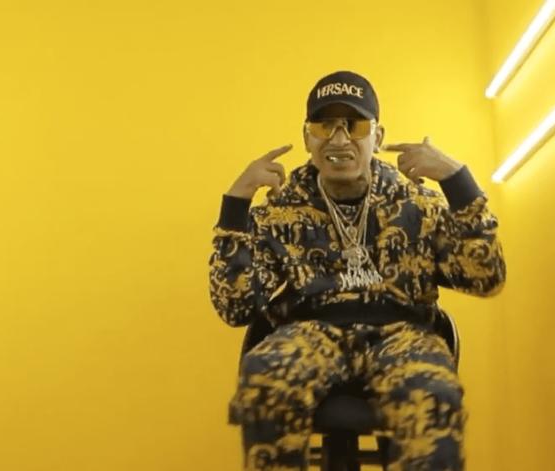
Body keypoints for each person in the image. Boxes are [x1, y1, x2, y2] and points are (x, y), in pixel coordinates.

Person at [209, 70, 506, 470]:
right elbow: (236, 307)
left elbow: (485, 278)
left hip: (402, 333)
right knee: (265, 378)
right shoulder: (280, 210)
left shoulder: (418, 204)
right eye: (324, 126)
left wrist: (458, 182)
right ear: (307, 138)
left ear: (377, 137)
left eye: (354, 125)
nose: (338, 139)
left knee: (432, 392)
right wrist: (235, 205)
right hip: (308, 333)